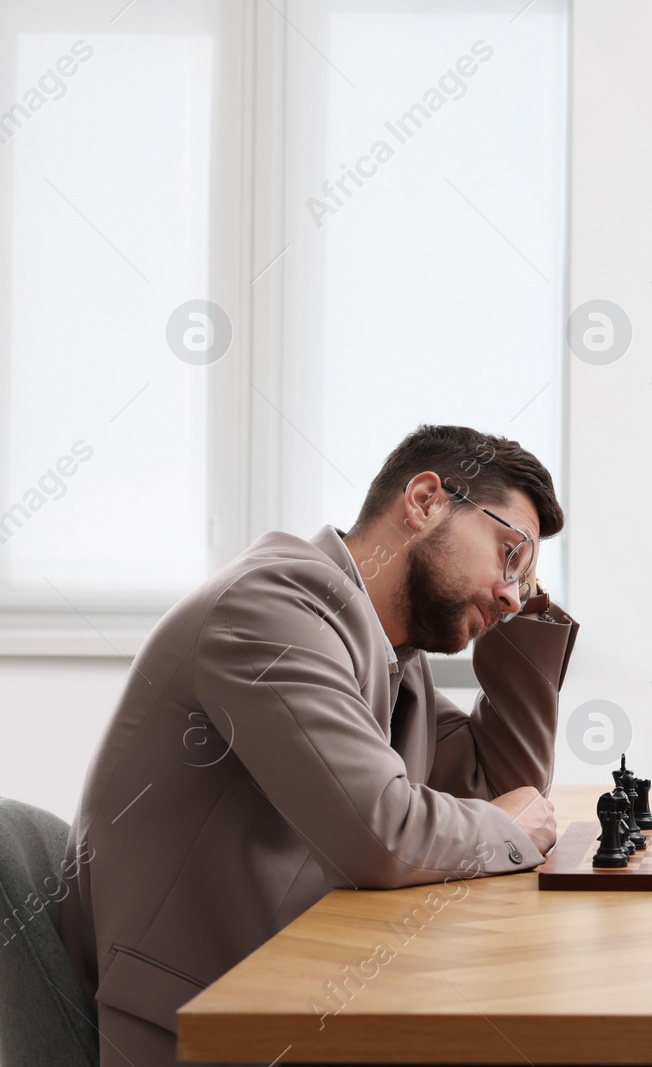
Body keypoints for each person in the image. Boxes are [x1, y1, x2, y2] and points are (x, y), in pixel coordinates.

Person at [58, 425, 578, 1067]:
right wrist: (508, 823)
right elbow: (383, 832)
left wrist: (521, 621)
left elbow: (505, 791)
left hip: (294, 998)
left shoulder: (392, 654)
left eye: (522, 578)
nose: (509, 592)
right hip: (198, 1024)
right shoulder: (270, 608)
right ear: (424, 501)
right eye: (509, 554)